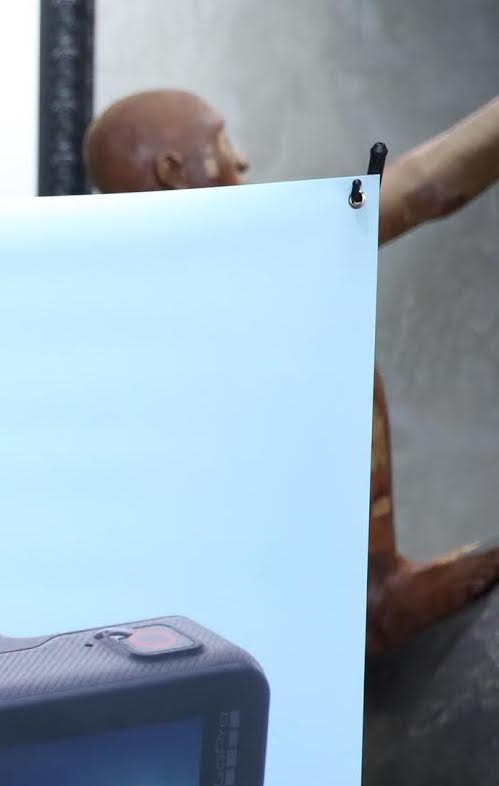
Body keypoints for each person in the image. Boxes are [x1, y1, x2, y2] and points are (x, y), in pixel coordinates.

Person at [86, 89, 499, 654]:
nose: (241, 159)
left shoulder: (122, 299)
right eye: (221, 143)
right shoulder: (249, 254)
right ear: (172, 172)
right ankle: (377, 592)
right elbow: (425, 185)